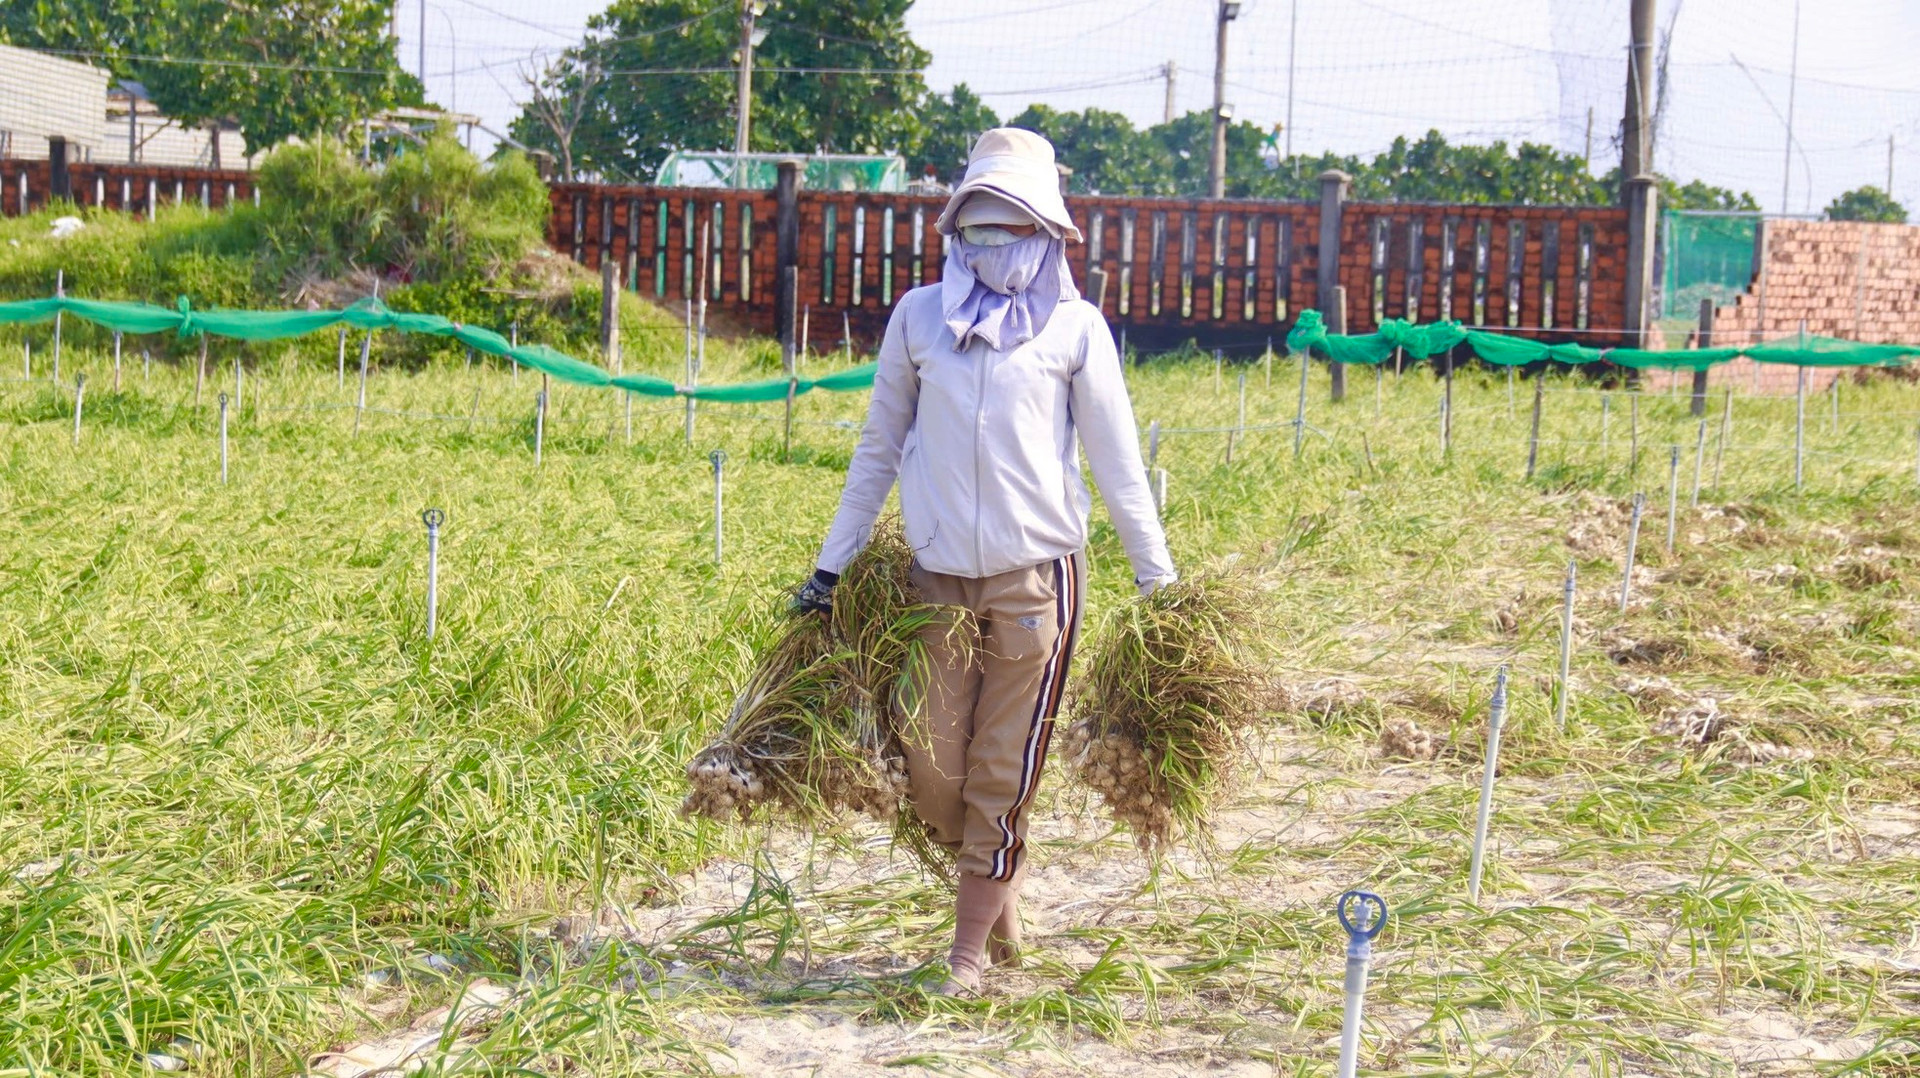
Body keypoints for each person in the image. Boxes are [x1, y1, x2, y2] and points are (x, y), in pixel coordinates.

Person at [795, 128, 1176, 994]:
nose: (988, 245)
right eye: (974, 228)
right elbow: (878, 448)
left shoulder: (1075, 329)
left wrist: (1161, 582)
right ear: (953, 228)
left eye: (1007, 227)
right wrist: (829, 567)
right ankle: (999, 912)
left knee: (1003, 771)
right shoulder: (919, 316)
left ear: (1047, 231)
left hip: (1036, 581)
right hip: (935, 583)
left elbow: (1118, 466)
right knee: (932, 774)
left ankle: (965, 957)